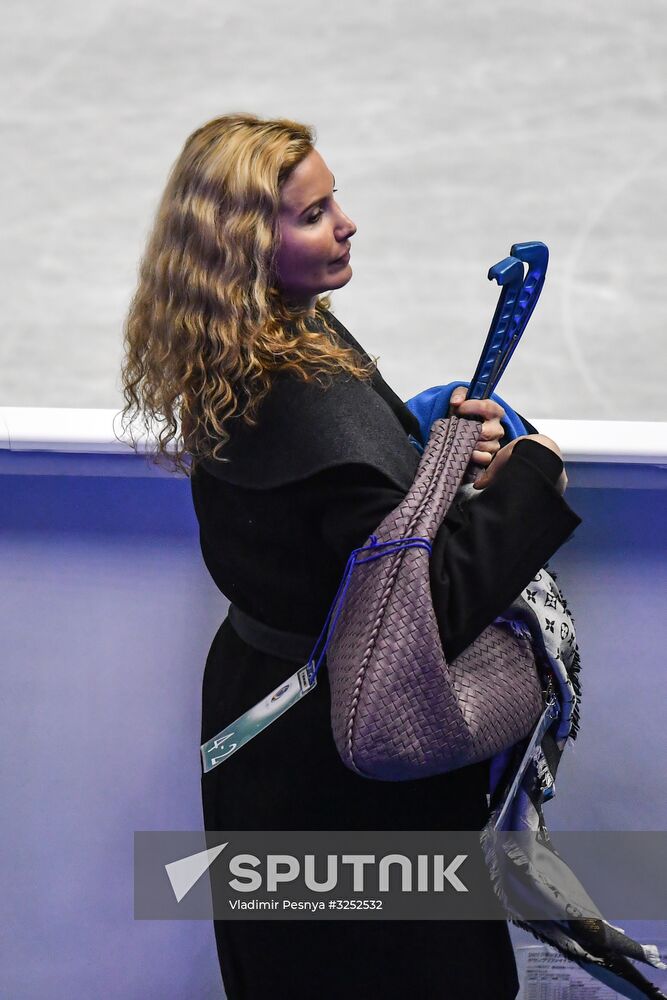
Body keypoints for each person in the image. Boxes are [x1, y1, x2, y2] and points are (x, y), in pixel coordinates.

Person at [120, 112, 581, 999]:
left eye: (334, 199)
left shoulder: (244, 339)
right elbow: (428, 603)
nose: (346, 223)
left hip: (263, 710)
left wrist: (428, 441)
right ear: (245, 246)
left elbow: (348, 526)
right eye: (313, 214)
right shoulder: (308, 402)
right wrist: (533, 475)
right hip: (340, 763)